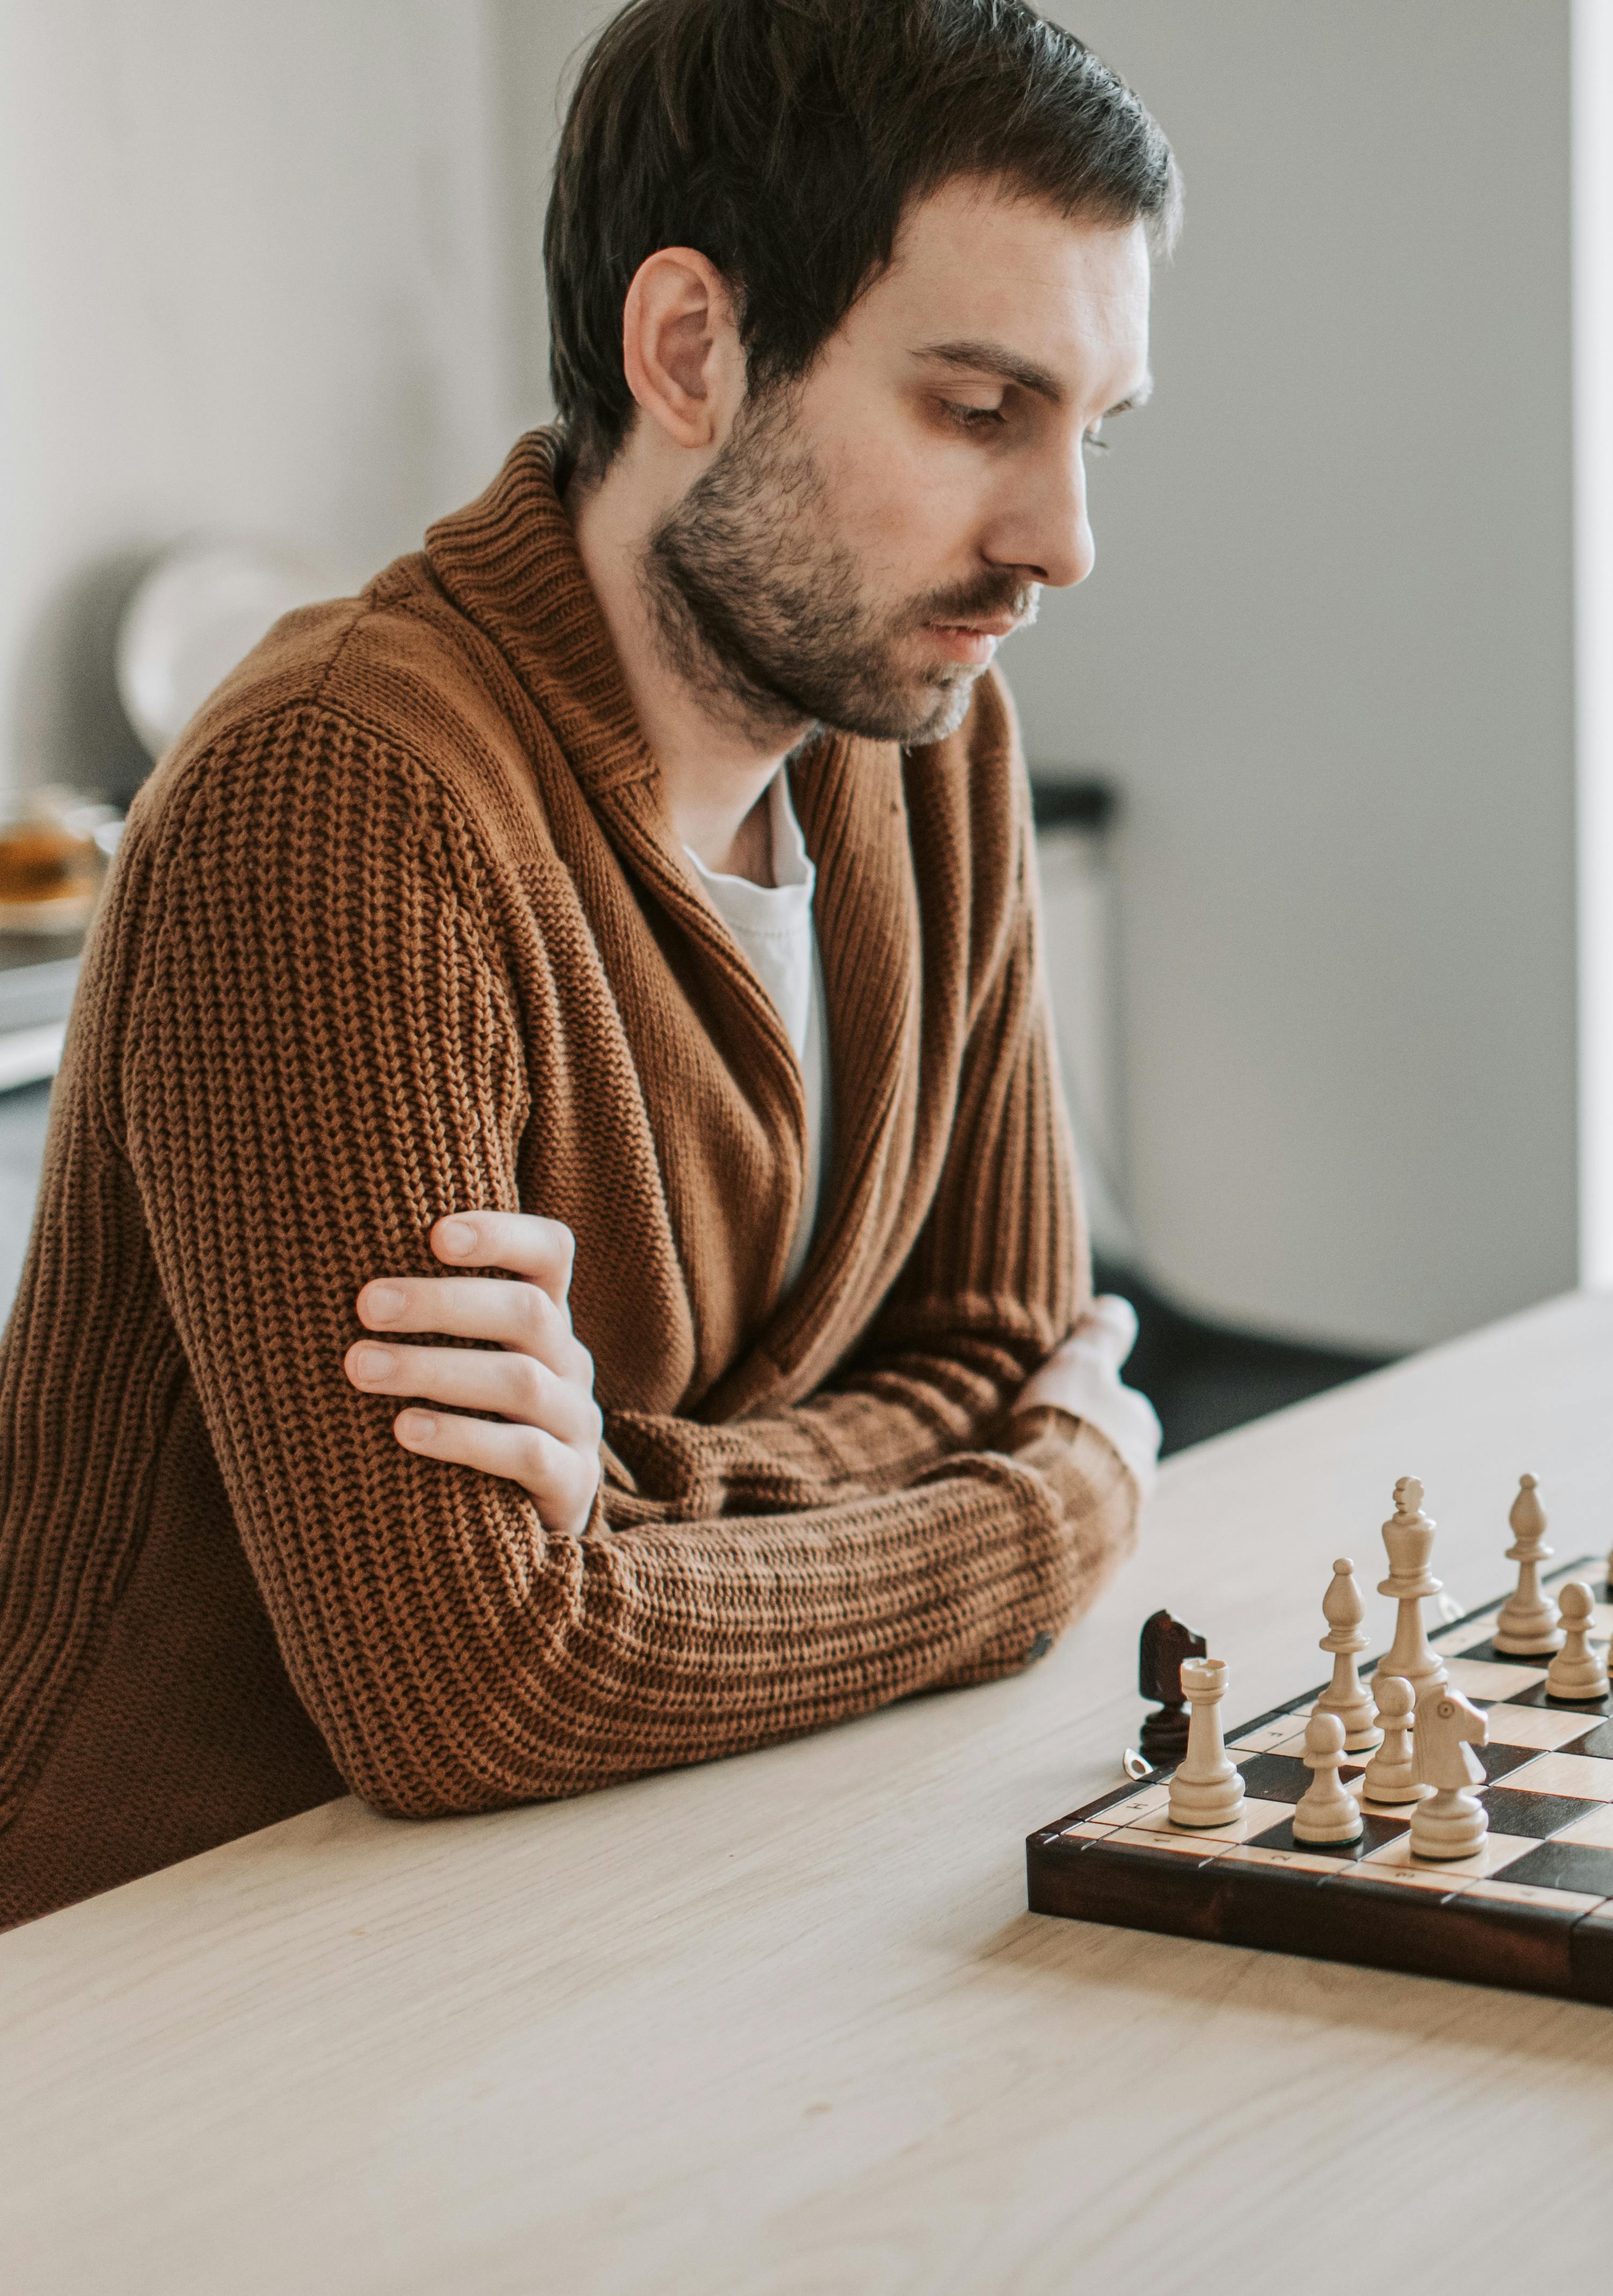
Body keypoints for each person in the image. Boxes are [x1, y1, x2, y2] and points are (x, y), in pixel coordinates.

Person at [0, 0, 1171, 1931]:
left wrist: (634, 1496)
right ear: (693, 350)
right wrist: (1045, 1524)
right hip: (163, 1970)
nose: (1061, 540)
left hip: (615, 1896)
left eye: (1093, 431)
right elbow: (475, 1686)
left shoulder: (933, 739)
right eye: (978, 411)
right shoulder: (340, 802)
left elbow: (995, 1346)